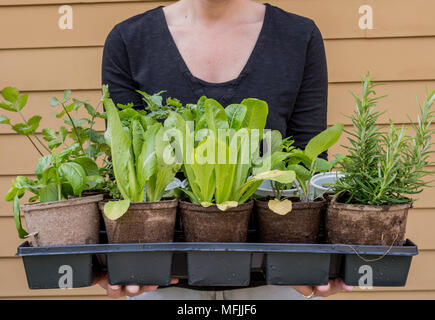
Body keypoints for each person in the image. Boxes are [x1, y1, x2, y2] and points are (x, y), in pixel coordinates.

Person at [98, 0, 354, 299]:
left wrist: (324, 263)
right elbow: (124, 159)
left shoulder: (298, 36)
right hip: (161, 280)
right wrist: (110, 263)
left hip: (277, 280)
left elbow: (308, 163)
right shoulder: (130, 39)